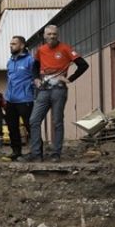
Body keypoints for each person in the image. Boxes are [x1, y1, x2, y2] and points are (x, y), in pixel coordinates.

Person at [26, 25, 89, 162]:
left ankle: (56, 154)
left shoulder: (65, 48)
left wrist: (70, 79)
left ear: (58, 35)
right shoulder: (41, 50)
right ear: (44, 35)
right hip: (43, 90)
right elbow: (35, 67)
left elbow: (83, 65)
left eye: (54, 34)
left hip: (59, 90)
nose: (52, 36)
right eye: (49, 34)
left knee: (57, 122)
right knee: (34, 120)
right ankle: (37, 154)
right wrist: (36, 78)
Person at [5, 36, 36, 161]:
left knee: (30, 126)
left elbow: (36, 77)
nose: (11, 45)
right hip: (10, 100)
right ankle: (16, 152)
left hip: (25, 100)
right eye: (10, 43)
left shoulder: (30, 60)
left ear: (22, 45)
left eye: (14, 43)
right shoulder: (10, 61)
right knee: (12, 127)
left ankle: (37, 151)